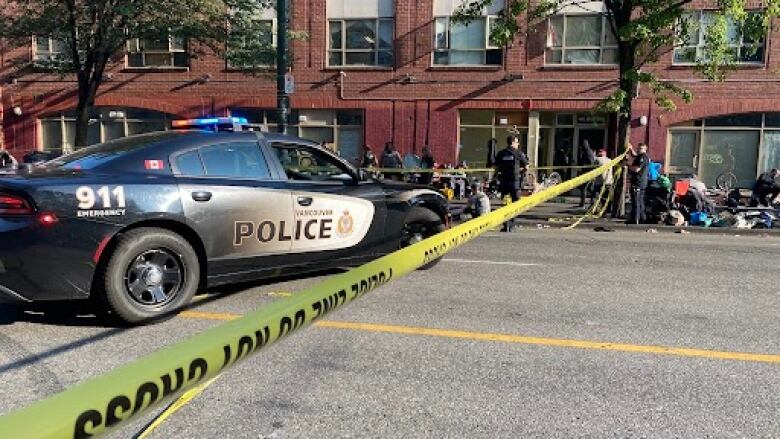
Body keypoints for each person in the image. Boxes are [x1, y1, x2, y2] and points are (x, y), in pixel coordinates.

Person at [494, 135, 528, 232]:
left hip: (504, 183)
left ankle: (506, 224)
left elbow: (496, 168)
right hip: (515, 183)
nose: (518, 144)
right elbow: (526, 167)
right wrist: (521, 172)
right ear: (513, 142)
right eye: (517, 142)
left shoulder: (501, 153)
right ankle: (511, 223)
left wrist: (494, 178)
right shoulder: (519, 153)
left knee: (505, 204)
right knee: (516, 205)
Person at [626, 143, 650, 224]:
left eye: (641, 148)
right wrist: (630, 148)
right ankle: (643, 219)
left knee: (636, 201)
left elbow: (637, 169)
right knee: (640, 201)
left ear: (645, 149)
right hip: (641, 183)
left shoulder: (643, 157)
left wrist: (627, 165)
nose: (639, 150)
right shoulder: (641, 156)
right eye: (638, 148)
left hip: (638, 182)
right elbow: (635, 155)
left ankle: (635, 219)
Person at [578, 140, 596, 207]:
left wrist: (585, 165)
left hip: (588, 173)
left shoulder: (588, 152)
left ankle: (582, 204)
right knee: (590, 188)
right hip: (588, 172)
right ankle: (593, 201)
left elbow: (590, 163)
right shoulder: (587, 151)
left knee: (583, 188)